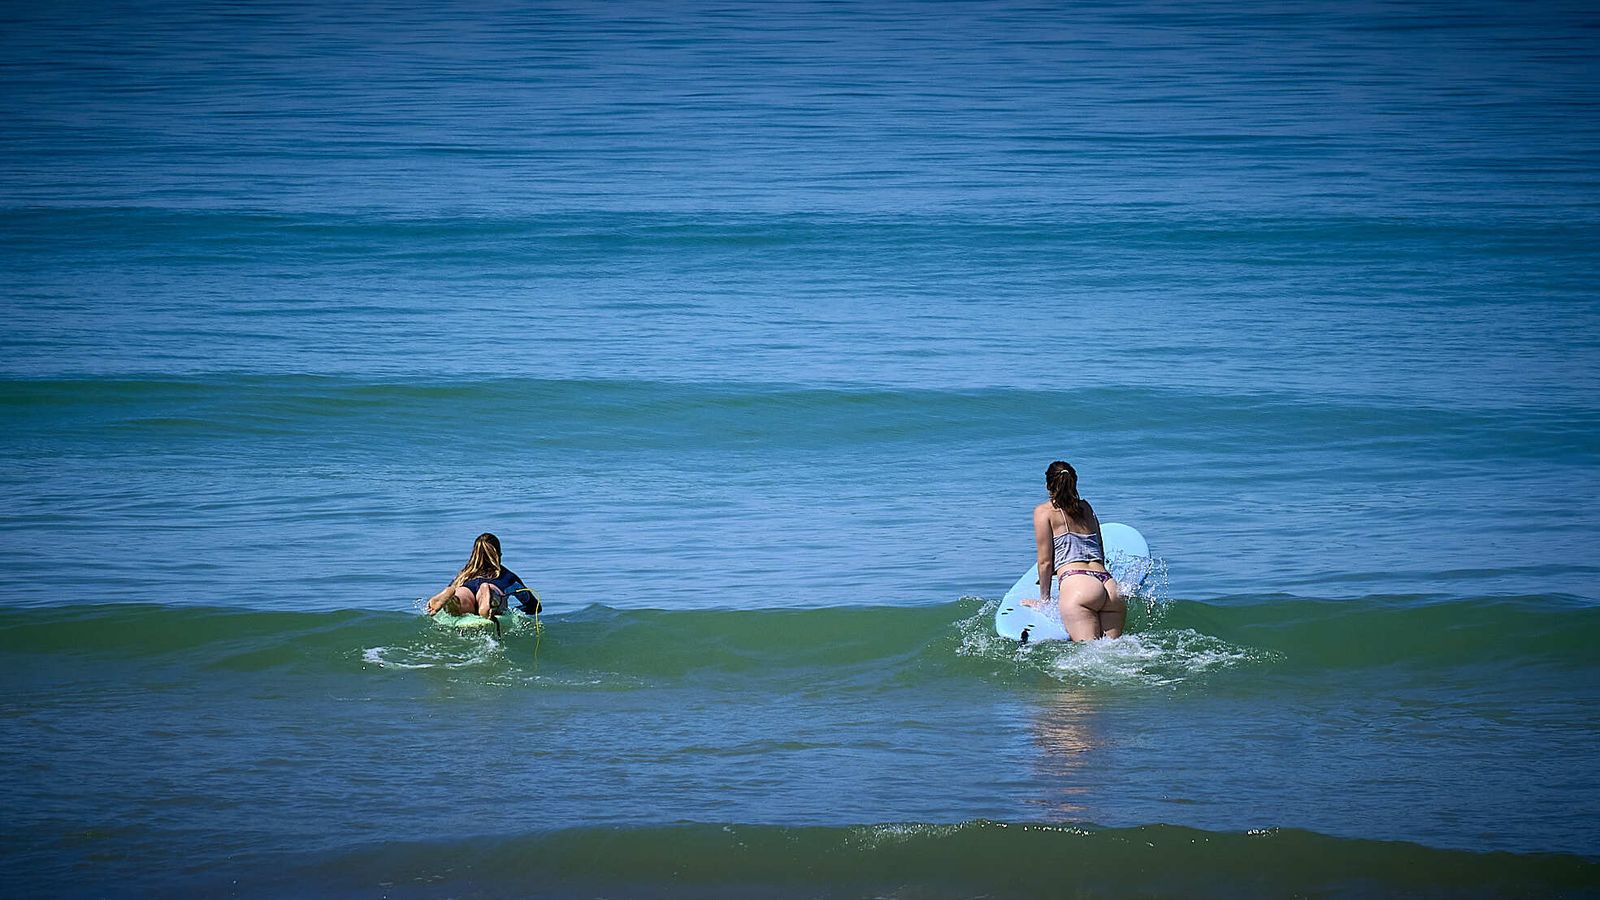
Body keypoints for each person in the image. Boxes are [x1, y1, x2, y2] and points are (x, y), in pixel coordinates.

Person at [1029, 461, 1123, 641]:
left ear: (1048, 484)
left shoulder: (1044, 512)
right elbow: (1100, 550)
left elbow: (1045, 562)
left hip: (1079, 586)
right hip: (1110, 587)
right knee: (1114, 652)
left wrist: (1044, 601)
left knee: (1088, 659)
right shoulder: (1086, 507)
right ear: (1074, 482)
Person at [426, 532, 526, 618]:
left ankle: (453, 600)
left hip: (467, 587)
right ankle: (487, 597)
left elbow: (454, 585)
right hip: (493, 586)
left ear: (474, 554)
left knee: (459, 596)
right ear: (499, 554)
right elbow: (534, 606)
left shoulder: (464, 574)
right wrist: (513, 611)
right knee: (494, 596)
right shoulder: (508, 576)